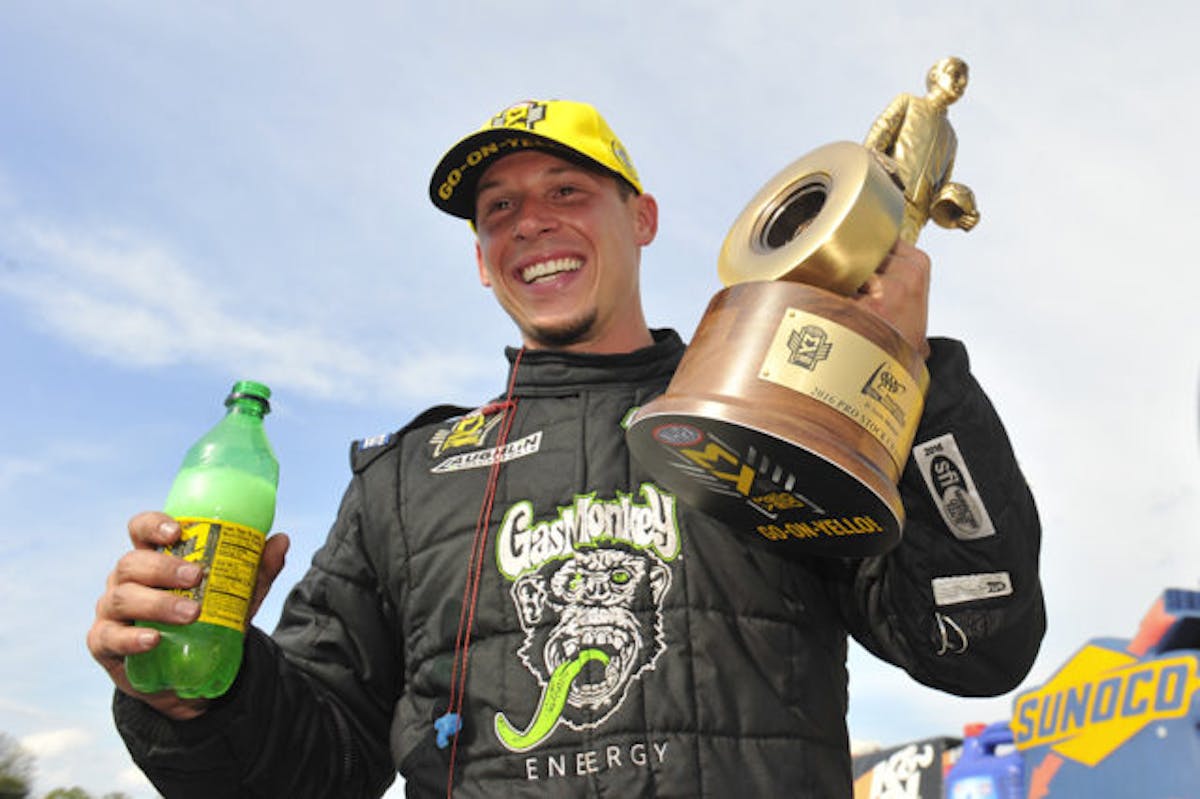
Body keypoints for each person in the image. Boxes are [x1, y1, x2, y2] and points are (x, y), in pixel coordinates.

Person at [88, 98, 1045, 797]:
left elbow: (974, 644)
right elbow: (316, 768)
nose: (530, 221)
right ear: (479, 260)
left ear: (642, 218)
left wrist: (904, 376)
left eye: (566, 189)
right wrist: (193, 696)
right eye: (496, 209)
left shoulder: (765, 422)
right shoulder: (405, 480)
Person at [864, 56, 981, 242]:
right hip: (884, 196)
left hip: (913, 220)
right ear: (935, 74)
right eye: (955, 74)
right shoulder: (908, 102)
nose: (961, 83)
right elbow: (874, 142)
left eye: (965, 82)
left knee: (897, 266)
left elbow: (939, 192)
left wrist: (957, 215)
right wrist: (882, 177)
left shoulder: (951, 138)